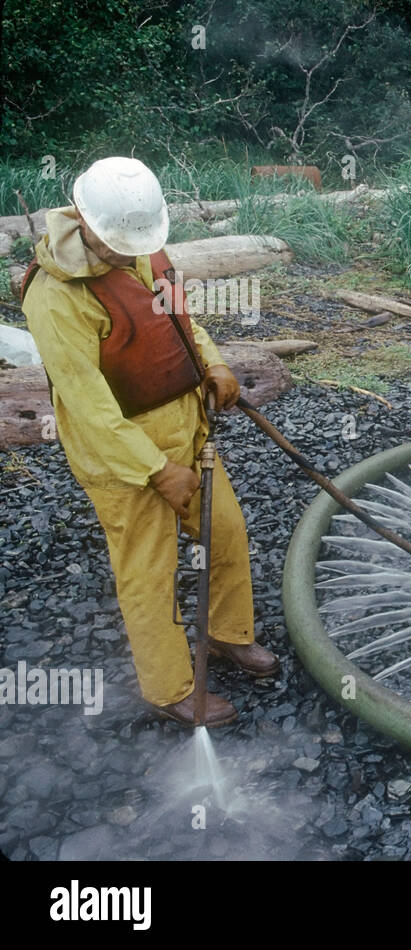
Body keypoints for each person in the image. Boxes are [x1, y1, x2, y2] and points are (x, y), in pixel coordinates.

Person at [20, 157, 278, 728]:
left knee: (225, 531)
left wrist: (214, 364)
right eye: (116, 243)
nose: (125, 252)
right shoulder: (56, 297)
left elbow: (179, 322)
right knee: (149, 568)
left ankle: (225, 631)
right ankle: (167, 688)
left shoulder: (143, 249)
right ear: (84, 218)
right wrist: (155, 469)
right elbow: (87, 407)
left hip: (187, 427)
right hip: (123, 458)